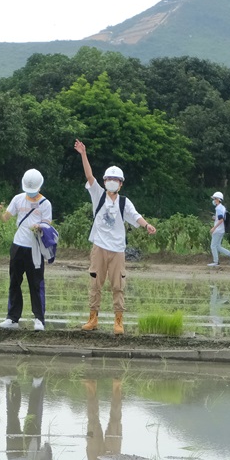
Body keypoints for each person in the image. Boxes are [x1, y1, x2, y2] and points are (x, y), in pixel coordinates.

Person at [74, 139, 157, 335]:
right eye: (109, 178)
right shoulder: (98, 195)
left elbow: (135, 216)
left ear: (120, 183)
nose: (112, 181)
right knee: (95, 283)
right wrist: (83, 154)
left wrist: (147, 225)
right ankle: (92, 319)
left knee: (118, 285)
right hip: (99, 247)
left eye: (116, 179)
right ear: (104, 182)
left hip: (118, 249)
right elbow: (89, 175)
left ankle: (118, 321)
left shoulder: (124, 203)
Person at [0, 169, 53, 331]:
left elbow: (47, 226)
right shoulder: (18, 199)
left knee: (36, 283)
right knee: (14, 282)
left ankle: (39, 319)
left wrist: (39, 226)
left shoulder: (45, 204)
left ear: (40, 187)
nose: (31, 194)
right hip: (18, 246)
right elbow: (6, 218)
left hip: (35, 249)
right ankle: (12, 318)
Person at [208, 191, 230, 268]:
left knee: (213, 246)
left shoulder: (218, 208)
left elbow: (221, 220)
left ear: (218, 199)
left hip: (218, 230)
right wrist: (215, 218)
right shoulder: (222, 207)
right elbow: (222, 218)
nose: (213, 200)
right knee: (218, 246)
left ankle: (216, 262)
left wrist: (214, 228)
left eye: (214, 199)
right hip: (221, 230)